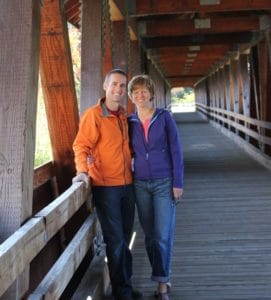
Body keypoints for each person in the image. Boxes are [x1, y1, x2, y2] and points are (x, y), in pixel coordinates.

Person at [72, 69, 142, 300]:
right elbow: (81, 146)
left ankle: (126, 287)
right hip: (105, 187)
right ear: (105, 86)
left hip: (127, 186)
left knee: (125, 237)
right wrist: (83, 171)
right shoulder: (94, 116)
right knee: (117, 240)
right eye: (115, 85)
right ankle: (122, 294)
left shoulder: (124, 115)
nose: (119, 89)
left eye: (123, 86)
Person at [128, 75, 184, 300]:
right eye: (135, 92)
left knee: (162, 234)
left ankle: (162, 283)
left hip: (164, 182)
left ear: (152, 93)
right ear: (131, 96)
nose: (140, 95)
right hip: (140, 183)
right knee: (150, 236)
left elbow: (176, 151)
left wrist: (178, 182)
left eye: (144, 91)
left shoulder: (165, 118)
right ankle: (162, 274)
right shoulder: (129, 122)